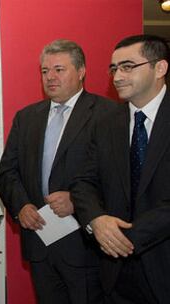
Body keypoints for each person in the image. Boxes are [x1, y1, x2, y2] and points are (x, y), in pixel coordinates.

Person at [0, 39, 115, 304]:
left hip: (85, 246)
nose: (50, 77)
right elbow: (7, 173)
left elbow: (119, 179)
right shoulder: (26, 118)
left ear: (81, 71)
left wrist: (77, 200)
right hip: (40, 243)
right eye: (44, 71)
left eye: (59, 70)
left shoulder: (108, 114)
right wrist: (21, 206)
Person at [71, 35, 170, 304]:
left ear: (160, 68)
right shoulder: (106, 123)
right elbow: (82, 182)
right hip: (114, 276)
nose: (117, 76)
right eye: (114, 68)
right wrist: (97, 221)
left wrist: (124, 237)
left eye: (127, 66)